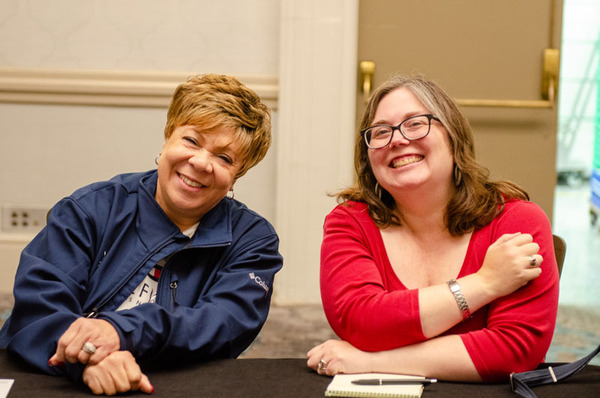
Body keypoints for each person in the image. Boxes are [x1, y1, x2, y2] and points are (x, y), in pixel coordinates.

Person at [0, 74, 283, 395]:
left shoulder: (253, 240)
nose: (202, 162)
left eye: (224, 158)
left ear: (236, 177)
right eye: (191, 140)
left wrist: (120, 331)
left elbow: (223, 323)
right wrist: (91, 360)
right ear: (167, 139)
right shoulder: (88, 208)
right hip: (54, 379)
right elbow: (38, 313)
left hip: (169, 386)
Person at [307, 74, 559, 383]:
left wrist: (370, 362)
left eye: (415, 123)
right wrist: (485, 283)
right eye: (381, 131)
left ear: (453, 137)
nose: (397, 139)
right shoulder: (349, 222)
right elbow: (360, 322)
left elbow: (514, 352)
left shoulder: (518, 221)